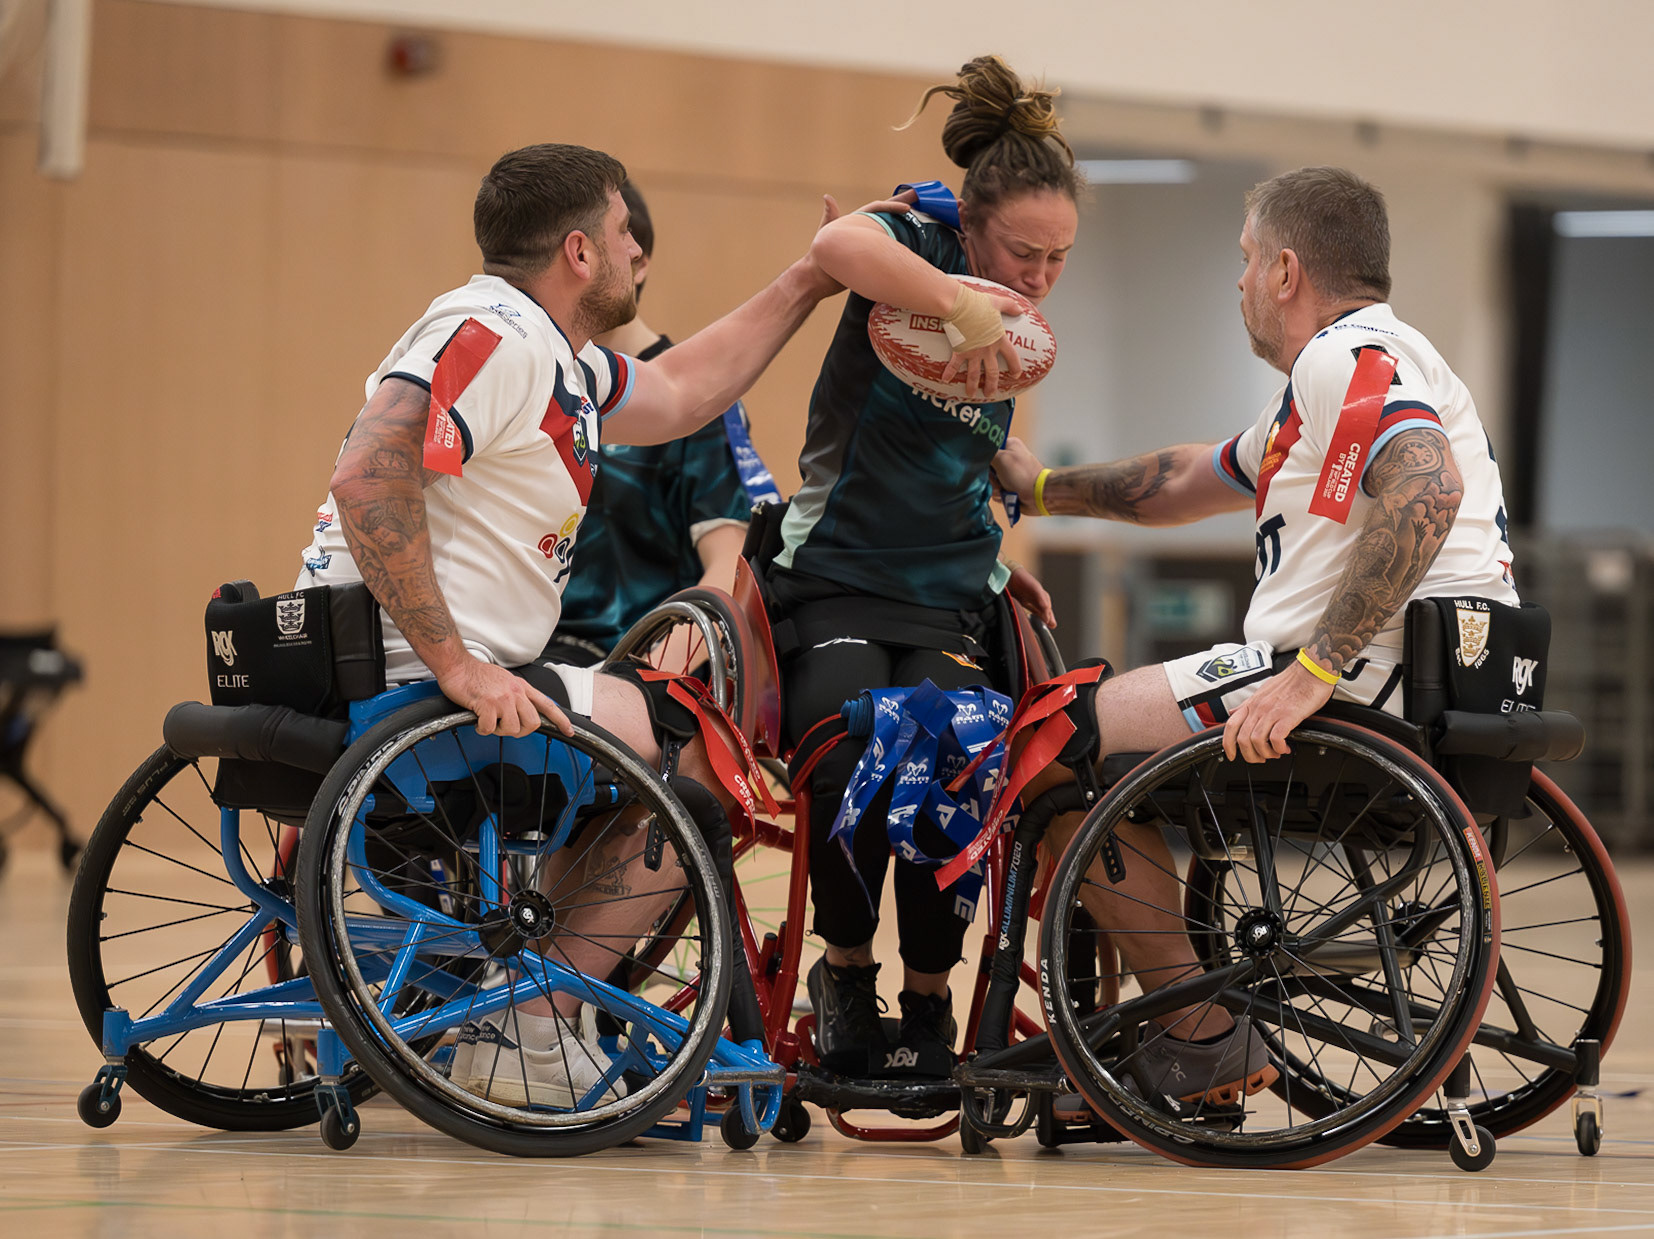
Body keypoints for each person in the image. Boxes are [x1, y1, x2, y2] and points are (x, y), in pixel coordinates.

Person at [295, 142, 838, 1105]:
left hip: (417, 680)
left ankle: (524, 1004)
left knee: (646, 734)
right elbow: (368, 472)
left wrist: (809, 279)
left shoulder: (556, 354)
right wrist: (457, 664)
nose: (641, 256)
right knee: (701, 760)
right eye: (629, 234)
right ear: (582, 251)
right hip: (416, 691)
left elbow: (681, 393)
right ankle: (531, 1020)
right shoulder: (493, 329)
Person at [992, 165, 1517, 1103]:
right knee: (1094, 736)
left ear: (1284, 269)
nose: (1234, 284)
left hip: (1358, 689)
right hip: (1443, 688)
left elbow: (1424, 485)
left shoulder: (1338, 357)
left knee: (1052, 738)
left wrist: (1315, 668)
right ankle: (1158, 1021)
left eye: (1242, 262)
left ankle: (1190, 1032)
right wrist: (1042, 488)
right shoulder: (1364, 370)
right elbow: (1188, 476)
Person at [769, 55, 1076, 1079]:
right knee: (853, 749)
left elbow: (968, 435)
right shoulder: (912, 237)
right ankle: (846, 973)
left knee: (953, 754)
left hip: (951, 591)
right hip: (839, 579)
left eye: (1058, 260)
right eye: (1021, 254)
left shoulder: (1018, 311)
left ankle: (930, 998)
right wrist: (959, 299)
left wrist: (1018, 481)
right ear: (972, 229)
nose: (1035, 277)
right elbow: (834, 242)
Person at [547, 179, 776, 666]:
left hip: (635, 660)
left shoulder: (698, 403)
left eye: (586, 250)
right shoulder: (537, 376)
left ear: (637, 257)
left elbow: (729, 565)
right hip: (525, 658)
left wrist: (642, 677)